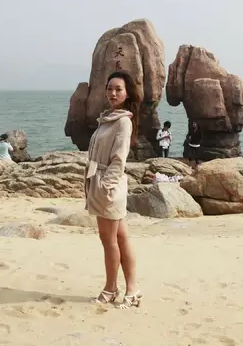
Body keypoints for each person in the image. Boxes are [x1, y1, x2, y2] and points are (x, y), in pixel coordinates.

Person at [84, 71, 142, 309]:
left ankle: (111, 288)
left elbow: (119, 159)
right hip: (102, 182)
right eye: (109, 88)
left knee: (108, 241)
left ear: (127, 93)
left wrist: (105, 187)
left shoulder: (123, 121)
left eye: (118, 89)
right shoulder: (109, 117)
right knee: (120, 238)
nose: (113, 93)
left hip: (109, 186)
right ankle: (133, 289)